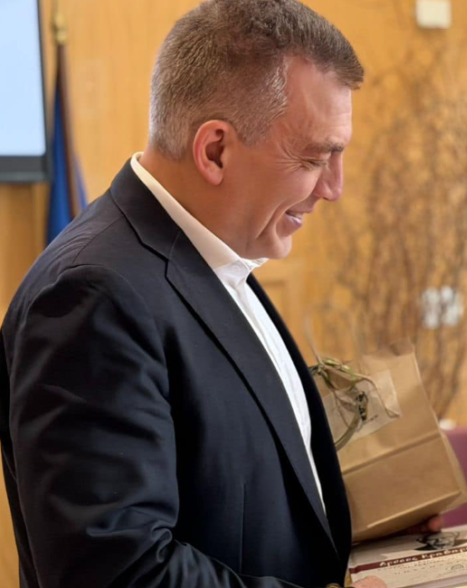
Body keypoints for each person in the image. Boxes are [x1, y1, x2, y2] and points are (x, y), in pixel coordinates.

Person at [0, 1, 430, 586]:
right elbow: (117, 572)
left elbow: (240, 492)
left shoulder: (214, 256)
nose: (334, 188)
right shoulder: (94, 295)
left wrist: (375, 526)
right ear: (215, 151)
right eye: (313, 158)